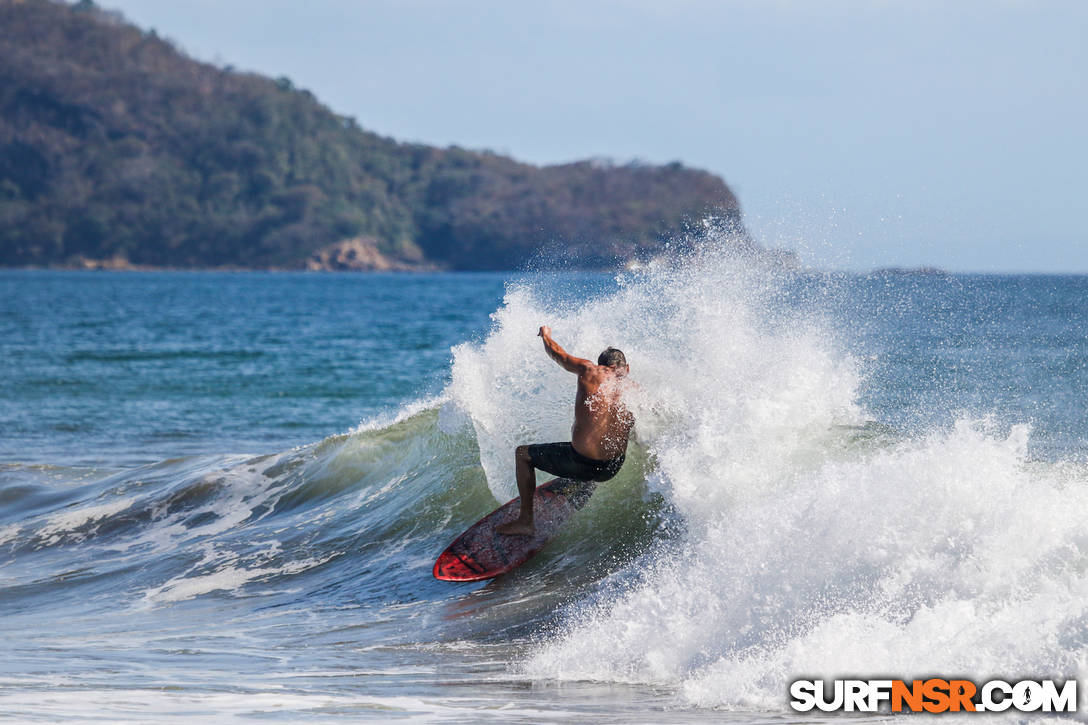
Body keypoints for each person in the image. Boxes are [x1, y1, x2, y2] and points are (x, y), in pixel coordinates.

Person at [496, 325, 634, 536]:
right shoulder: (634, 391)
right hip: (613, 468)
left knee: (522, 454)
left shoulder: (590, 370)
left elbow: (557, 354)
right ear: (626, 368)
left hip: (583, 463)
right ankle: (584, 482)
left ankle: (525, 521)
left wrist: (546, 335)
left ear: (601, 365)